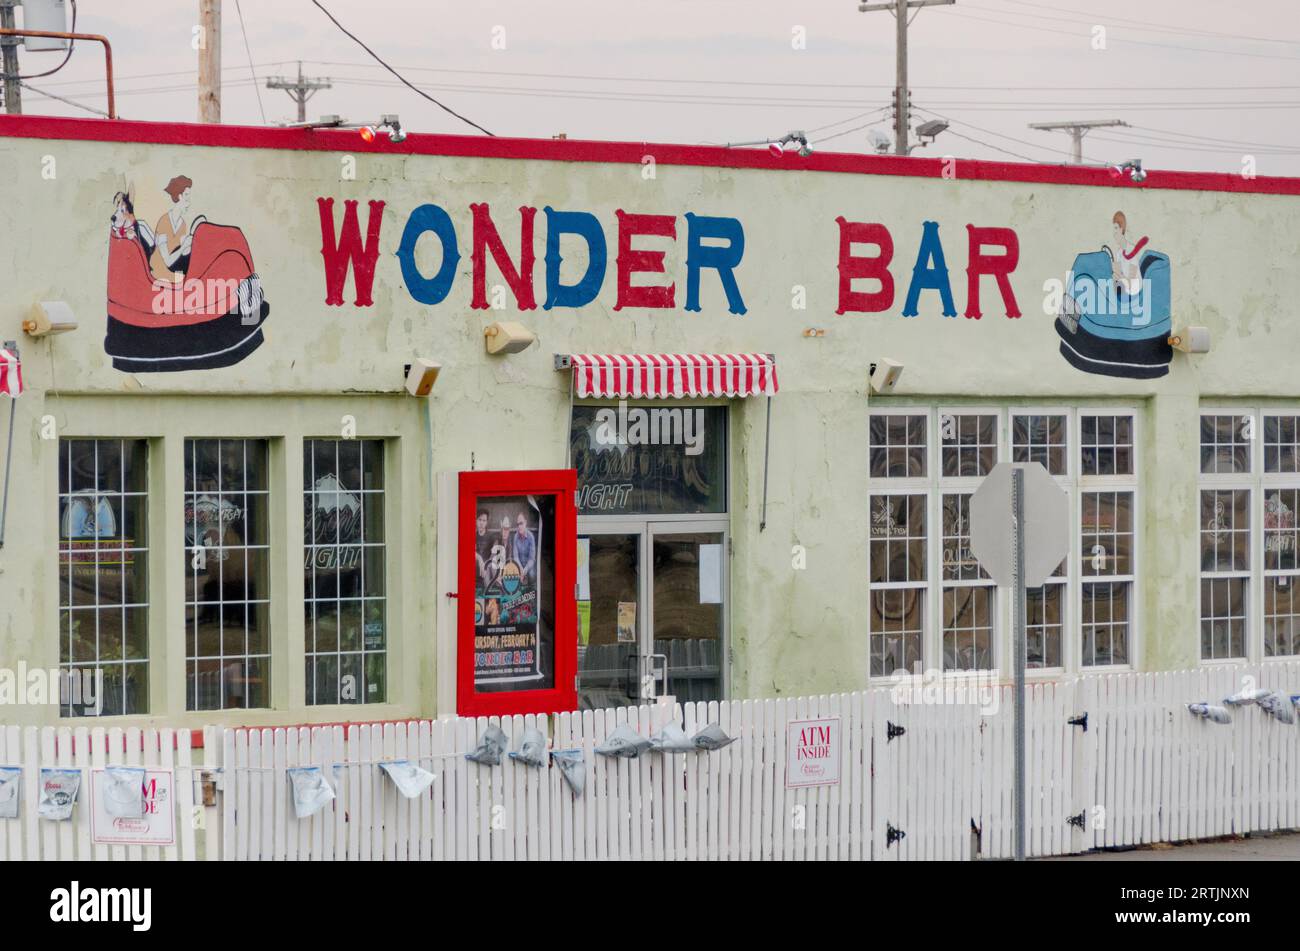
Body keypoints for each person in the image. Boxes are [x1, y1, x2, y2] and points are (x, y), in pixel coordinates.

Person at [150, 175, 196, 281]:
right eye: (187, 195)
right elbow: (167, 261)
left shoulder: (182, 224)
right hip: (160, 271)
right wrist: (184, 246)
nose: (189, 200)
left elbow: (180, 254)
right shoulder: (164, 222)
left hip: (175, 270)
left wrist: (189, 245)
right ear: (179, 196)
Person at [1109, 211, 1148, 297]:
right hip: (1125, 287)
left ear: (1122, 229)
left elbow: (1131, 282)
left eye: (1116, 228)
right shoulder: (1119, 252)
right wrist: (1114, 274)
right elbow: (1119, 275)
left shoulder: (1131, 250)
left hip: (1135, 289)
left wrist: (1118, 277)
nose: (1113, 233)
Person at [512, 512, 536, 584]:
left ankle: (531, 591)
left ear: (525, 523)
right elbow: (515, 556)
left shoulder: (531, 537)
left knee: (532, 575)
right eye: (518, 524)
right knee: (513, 577)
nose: (519, 526)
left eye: (521, 523)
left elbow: (532, 559)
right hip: (519, 564)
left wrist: (525, 570)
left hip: (528, 565)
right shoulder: (516, 537)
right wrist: (520, 568)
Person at [473, 509, 493, 591]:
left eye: (484, 520)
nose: (481, 523)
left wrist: (486, 564)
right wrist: (479, 558)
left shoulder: (490, 536)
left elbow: (493, 555)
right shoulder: (473, 535)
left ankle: (489, 598)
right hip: (476, 567)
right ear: (476, 520)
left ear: (487, 522)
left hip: (486, 568)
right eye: (479, 520)